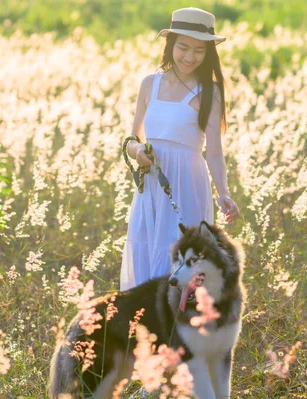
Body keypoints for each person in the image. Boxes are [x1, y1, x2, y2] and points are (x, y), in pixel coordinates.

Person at [120, 7, 239, 291]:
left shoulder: (210, 91)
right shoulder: (150, 83)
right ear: (170, 44)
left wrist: (223, 193)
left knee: (181, 252)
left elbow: (214, 151)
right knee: (146, 245)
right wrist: (138, 153)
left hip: (187, 183)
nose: (189, 56)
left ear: (208, 53)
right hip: (151, 183)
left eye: (199, 50)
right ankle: (146, 325)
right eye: (183, 47)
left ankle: (179, 325)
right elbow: (131, 139)